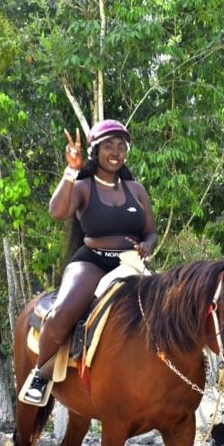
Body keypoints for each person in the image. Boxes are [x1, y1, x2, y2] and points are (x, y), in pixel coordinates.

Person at [23, 118, 158, 405]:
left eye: (121, 146)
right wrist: (71, 170)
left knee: (169, 310)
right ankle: (40, 374)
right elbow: (57, 212)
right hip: (91, 263)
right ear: (96, 151)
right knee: (63, 312)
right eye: (108, 145)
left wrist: (147, 245)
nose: (116, 151)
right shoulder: (83, 186)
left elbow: (150, 231)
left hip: (132, 264)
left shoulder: (137, 190)